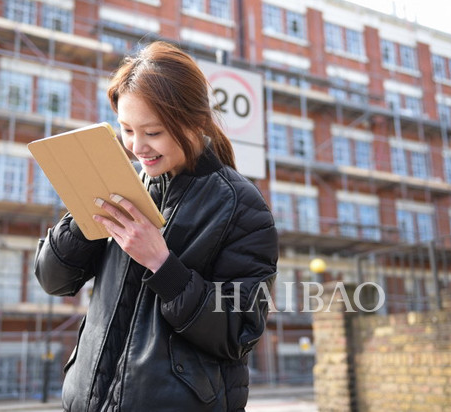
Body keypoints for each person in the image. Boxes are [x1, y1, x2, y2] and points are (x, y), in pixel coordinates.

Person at [34, 41, 278, 411]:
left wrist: (162, 265)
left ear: (195, 123)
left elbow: (240, 330)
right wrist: (86, 214)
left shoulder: (241, 206)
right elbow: (53, 281)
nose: (137, 147)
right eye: (127, 130)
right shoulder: (121, 181)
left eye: (153, 132)